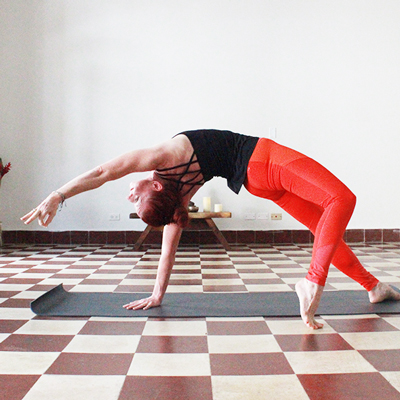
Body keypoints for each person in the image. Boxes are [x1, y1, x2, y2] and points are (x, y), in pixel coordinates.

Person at [21, 129, 400, 329]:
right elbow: (104, 172)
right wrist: (57, 195)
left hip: (257, 182)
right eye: (135, 200)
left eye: (132, 200)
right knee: (341, 200)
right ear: (155, 188)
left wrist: (157, 294)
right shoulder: (162, 160)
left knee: (323, 227)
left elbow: (168, 247)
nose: (129, 195)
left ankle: (373, 287)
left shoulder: (178, 194)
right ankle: (313, 281)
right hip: (264, 160)